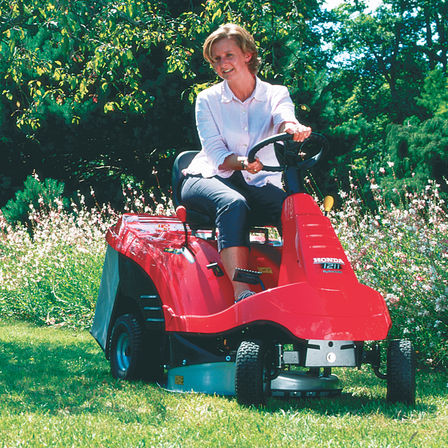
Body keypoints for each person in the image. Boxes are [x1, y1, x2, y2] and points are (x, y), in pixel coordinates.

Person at [181, 23, 311, 302]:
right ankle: (243, 293)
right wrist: (243, 162)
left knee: (295, 209)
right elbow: (215, 153)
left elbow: (284, 117)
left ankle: (305, 286)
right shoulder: (207, 100)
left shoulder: (276, 93)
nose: (222, 63)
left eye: (228, 55)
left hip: (256, 179)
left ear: (247, 55)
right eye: (216, 59)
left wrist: (292, 127)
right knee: (233, 204)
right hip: (208, 176)